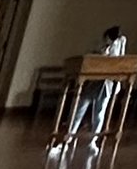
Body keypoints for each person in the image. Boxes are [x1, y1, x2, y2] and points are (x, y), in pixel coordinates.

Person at [50, 22, 131, 153]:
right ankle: (66, 140)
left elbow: (119, 59)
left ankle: (93, 141)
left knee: (99, 113)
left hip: (107, 84)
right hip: (94, 82)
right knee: (79, 111)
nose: (106, 41)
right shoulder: (102, 47)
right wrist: (104, 52)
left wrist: (118, 42)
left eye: (108, 39)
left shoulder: (119, 43)